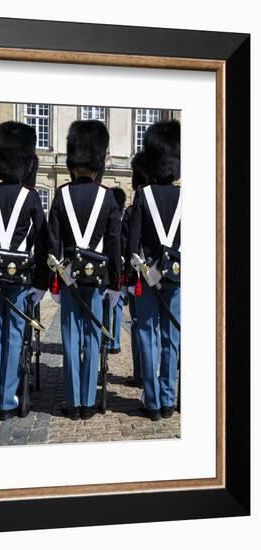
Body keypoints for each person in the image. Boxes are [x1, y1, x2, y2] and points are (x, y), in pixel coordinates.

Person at [48, 120, 122, 420]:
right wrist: (116, 283)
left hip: (68, 280)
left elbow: (52, 242)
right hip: (98, 281)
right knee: (92, 338)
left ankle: (73, 401)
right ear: (98, 159)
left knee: (69, 339)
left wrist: (55, 281)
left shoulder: (61, 195)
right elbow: (115, 245)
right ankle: (89, 402)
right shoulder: (108, 197)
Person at [0, 122, 48, 421]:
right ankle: (8, 400)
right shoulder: (31, 197)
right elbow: (43, 242)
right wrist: (41, 282)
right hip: (20, 280)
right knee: (13, 337)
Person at [128, 119, 181, 421]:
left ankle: (151, 402)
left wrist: (143, 269)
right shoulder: (185, 197)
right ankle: (167, 400)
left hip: (147, 278)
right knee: (170, 338)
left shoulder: (142, 195)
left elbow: (133, 244)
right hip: (176, 278)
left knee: (147, 337)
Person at [121, 151, 150, 388]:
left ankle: (141, 374)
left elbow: (126, 245)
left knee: (140, 325)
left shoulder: (132, 210)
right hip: (171, 274)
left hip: (140, 277)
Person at [108, 187, 127, 354]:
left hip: (107, 265)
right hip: (121, 267)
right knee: (118, 306)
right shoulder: (123, 219)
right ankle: (115, 343)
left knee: (106, 304)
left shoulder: (109, 217)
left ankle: (106, 340)